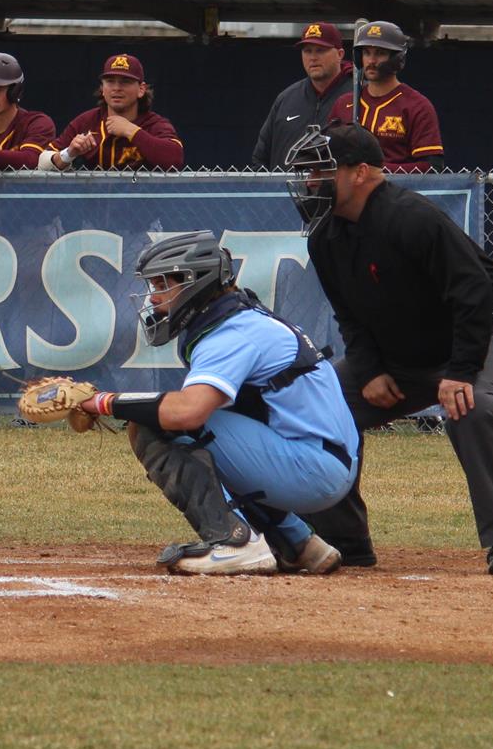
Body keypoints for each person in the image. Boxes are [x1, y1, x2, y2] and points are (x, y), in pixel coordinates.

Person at [289, 123, 493, 575]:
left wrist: (462, 370)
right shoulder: (325, 237)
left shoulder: (411, 217)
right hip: (405, 354)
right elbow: (351, 316)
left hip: (487, 334)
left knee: (474, 406)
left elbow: (474, 294)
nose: (311, 183)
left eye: (322, 172)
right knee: (317, 401)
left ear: (361, 173)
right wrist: (369, 370)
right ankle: (343, 539)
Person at [63, 232, 356, 576]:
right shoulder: (239, 318)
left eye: (161, 285)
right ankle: (299, 544)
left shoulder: (231, 332)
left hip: (311, 467)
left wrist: (102, 402)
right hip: (320, 460)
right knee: (194, 428)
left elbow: (188, 411)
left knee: (156, 423)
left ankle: (235, 543)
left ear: (193, 282)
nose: (153, 298)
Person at [324, 21, 446, 171]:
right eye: (367, 53)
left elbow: (432, 166)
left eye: (380, 53)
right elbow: (326, 154)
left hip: (395, 190)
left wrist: (377, 170)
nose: (371, 60)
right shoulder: (344, 103)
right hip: (349, 190)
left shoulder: (416, 105)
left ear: (397, 58)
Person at [50, 52, 185, 171]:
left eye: (125, 82)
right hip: (96, 197)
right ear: (102, 88)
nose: (116, 88)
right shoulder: (87, 121)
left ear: (141, 89)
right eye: (110, 81)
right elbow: (42, 160)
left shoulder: (154, 124)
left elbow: (175, 159)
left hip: (141, 197)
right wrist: (69, 153)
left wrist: (131, 131)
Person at [250, 21, 353, 167]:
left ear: (340, 54)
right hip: (284, 188)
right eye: (307, 51)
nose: (313, 57)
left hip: (338, 189)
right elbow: (260, 158)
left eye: (320, 50)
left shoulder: (358, 95)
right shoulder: (287, 98)